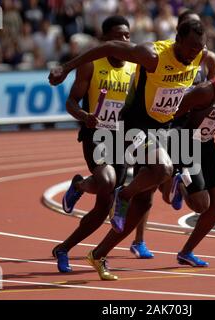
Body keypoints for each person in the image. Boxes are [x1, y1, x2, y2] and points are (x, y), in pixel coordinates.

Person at [49, 19, 207, 280]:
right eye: (190, 47)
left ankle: (92, 253)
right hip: (117, 131)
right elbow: (109, 48)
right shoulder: (149, 55)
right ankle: (97, 189)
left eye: (198, 48)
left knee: (138, 200)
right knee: (114, 182)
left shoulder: (198, 55)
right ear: (177, 40)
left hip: (160, 130)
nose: (194, 53)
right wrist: (65, 69)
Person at [130, 9, 215, 259]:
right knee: (148, 187)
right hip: (158, 125)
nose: (195, 46)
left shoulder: (208, 59)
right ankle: (139, 240)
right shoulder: (164, 55)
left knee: (196, 201)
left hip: (186, 129)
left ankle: (177, 185)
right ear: (179, 33)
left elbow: (212, 91)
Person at [51, 15, 136, 273]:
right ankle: (85, 185)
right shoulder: (91, 65)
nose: (124, 40)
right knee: (109, 182)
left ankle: (63, 247)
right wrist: (85, 116)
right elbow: (70, 102)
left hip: (122, 139)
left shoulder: (135, 67)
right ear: (105, 40)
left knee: (102, 209)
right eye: (118, 36)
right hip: (95, 135)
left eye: (127, 35)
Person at [161, 50, 215, 267]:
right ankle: (178, 180)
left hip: (207, 144)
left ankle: (186, 252)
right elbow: (171, 113)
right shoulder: (205, 91)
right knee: (201, 205)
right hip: (184, 141)